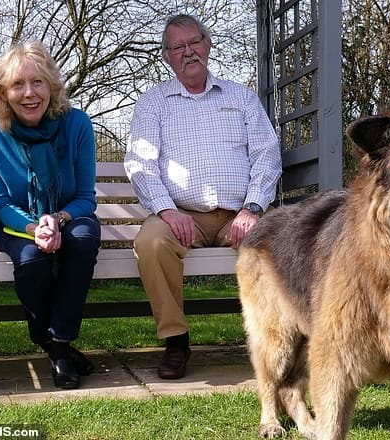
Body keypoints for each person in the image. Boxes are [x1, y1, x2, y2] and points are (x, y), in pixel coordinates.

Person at [125, 14, 282, 380]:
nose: (188, 52)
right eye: (177, 47)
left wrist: (254, 207)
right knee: (150, 242)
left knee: (278, 239)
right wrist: (166, 210)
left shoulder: (241, 97)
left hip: (239, 215)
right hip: (180, 216)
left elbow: (266, 153)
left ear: (207, 45)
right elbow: (140, 162)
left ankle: (276, 339)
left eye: (194, 42)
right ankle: (176, 340)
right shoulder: (153, 103)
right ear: (167, 56)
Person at [0, 41, 101, 389]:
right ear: (3, 92)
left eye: (38, 82)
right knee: (31, 259)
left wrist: (57, 219)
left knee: (83, 239)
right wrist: (34, 227)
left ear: (52, 86)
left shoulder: (77, 124)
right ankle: (58, 352)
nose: (29, 93)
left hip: (69, 215)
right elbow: (0, 203)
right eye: (17, 84)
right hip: (16, 221)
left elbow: (86, 198)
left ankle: (58, 341)